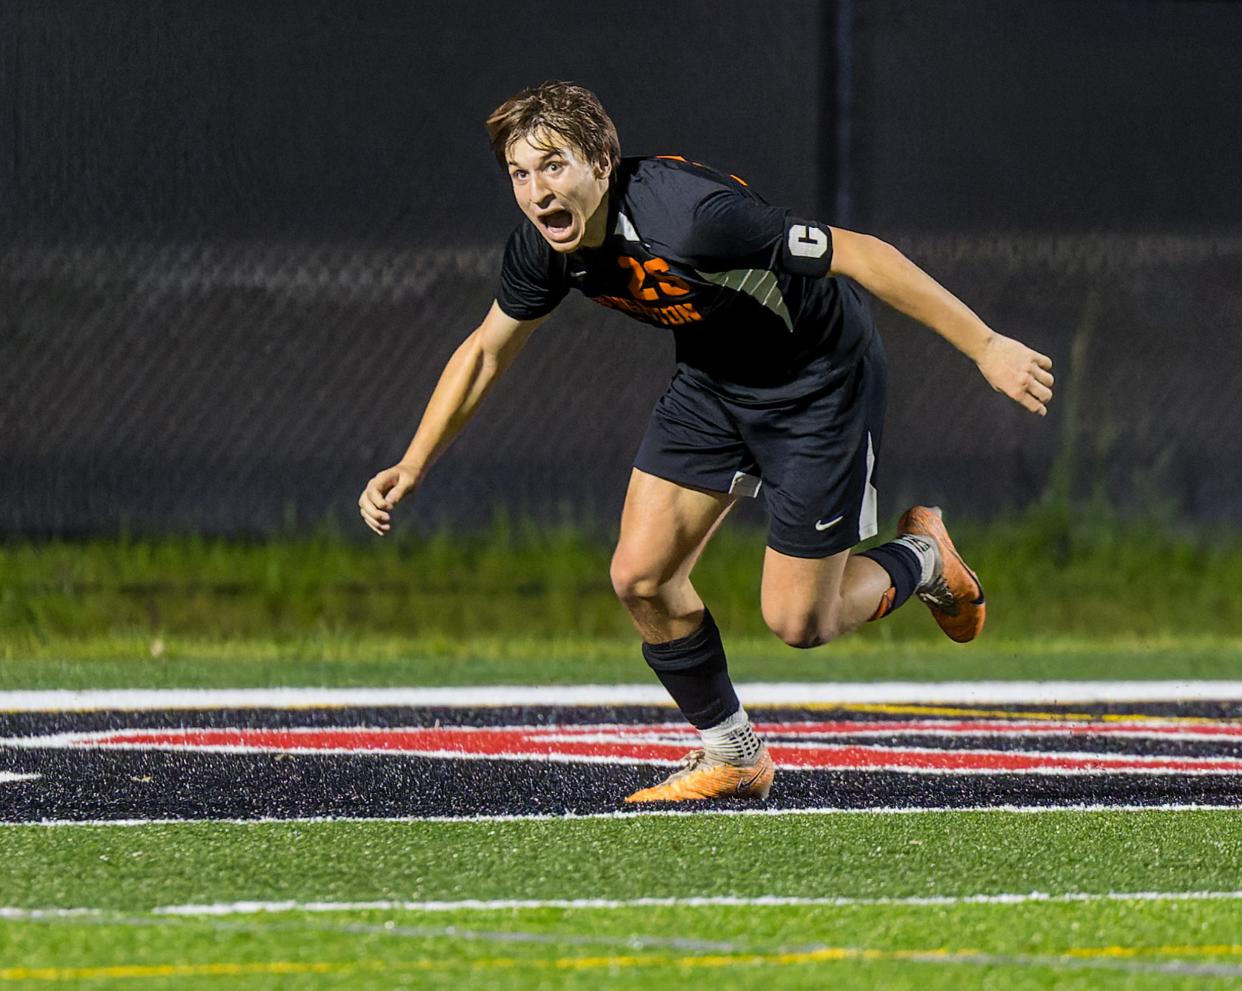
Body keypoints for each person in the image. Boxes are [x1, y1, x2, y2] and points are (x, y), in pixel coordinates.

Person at [358, 81, 1054, 803]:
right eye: (520, 175)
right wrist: (414, 461)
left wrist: (986, 345)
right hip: (713, 384)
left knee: (799, 622)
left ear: (603, 159)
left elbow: (863, 255)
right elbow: (484, 353)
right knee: (641, 577)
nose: (538, 192)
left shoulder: (692, 219)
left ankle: (923, 557)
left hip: (818, 385)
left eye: (555, 166)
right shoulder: (546, 248)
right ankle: (734, 754)